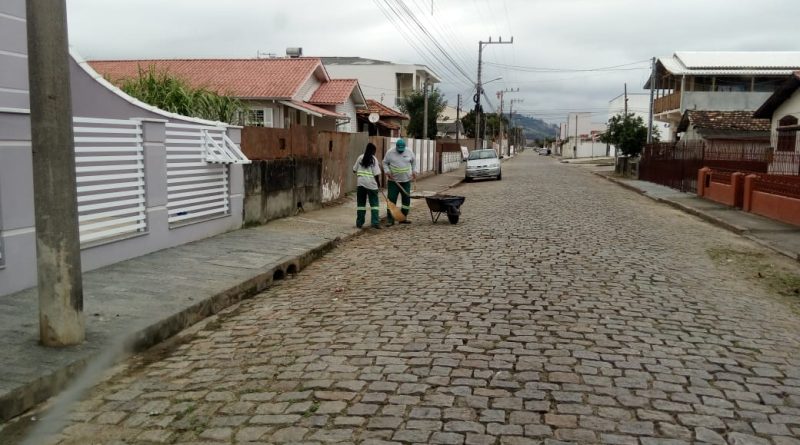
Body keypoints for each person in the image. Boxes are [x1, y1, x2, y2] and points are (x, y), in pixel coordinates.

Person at [382, 138, 416, 225]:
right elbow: (384, 163)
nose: (400, 151)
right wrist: (387, 171)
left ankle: (403, 218)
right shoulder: (390, 152)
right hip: (393, 181)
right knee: (391, 201)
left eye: (402, 149)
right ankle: (390, 220)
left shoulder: (409, 152)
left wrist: (414, 171)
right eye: (399, 149)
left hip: (406, 181)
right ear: (396, 146)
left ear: (404, 147)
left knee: (406, 200)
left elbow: (414, 162)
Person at [353, 143, 383, 229]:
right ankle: (375, 222)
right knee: (374, 204)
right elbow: (376, 174)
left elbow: (354, 170)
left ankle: (359, 223)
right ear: (373, 151)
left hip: (361, 184)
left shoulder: (360, 157)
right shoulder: (374, 159)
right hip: (371, 185)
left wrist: (361, 175)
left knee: (361, 204)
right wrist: (378, 183)